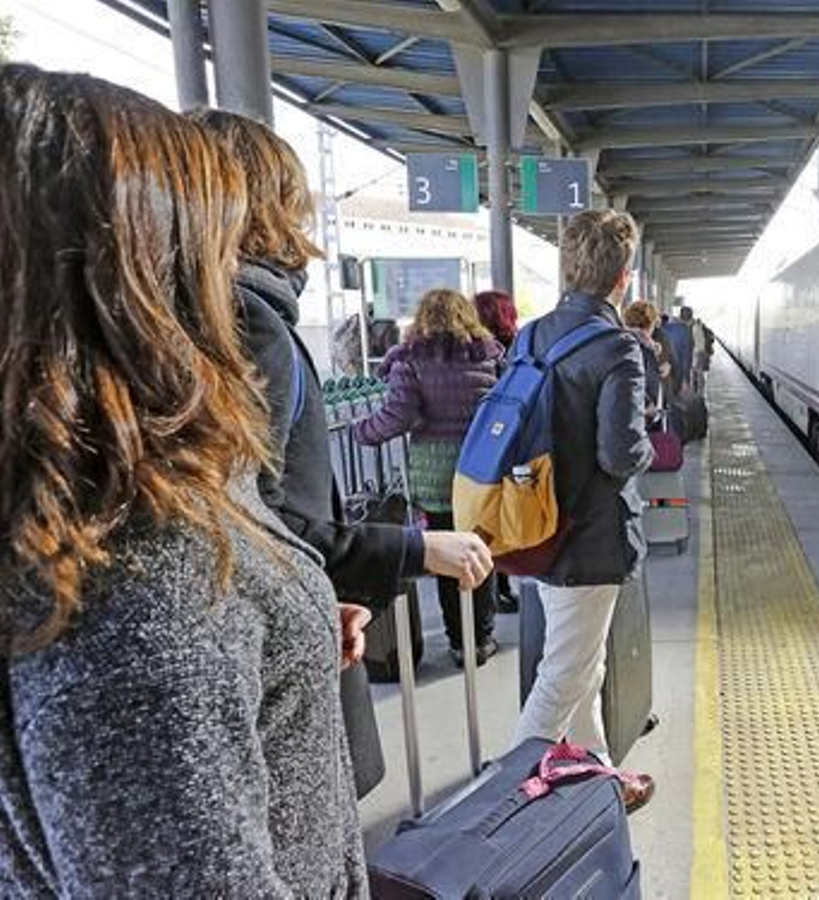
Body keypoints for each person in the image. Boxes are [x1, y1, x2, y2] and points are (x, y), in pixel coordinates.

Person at [0, 65, 364, 896]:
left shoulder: (77, 525)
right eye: (211, 242)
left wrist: (276, 621)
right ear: (135, 280)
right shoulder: (144, 594)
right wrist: (234, 624)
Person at [193, 109, 495, 793]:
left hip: (416, 482)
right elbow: (257, 522)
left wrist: (365, 437)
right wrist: (410, 551)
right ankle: (476, 635)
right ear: (273, 206)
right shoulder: (253, 325)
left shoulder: (212, 318)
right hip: (281, 657)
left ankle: (464, 633)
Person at [510, 209, 655, 809]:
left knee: (581, 664)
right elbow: (620, 455)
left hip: (533, 525)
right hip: (589, 537)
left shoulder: (529, 336)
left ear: (568, 266)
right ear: (622, 278)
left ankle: (600, 776)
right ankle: (508, 802)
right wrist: (647, 440)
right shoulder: (618, 347)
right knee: (563, 675)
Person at [356, 289, 504, 666]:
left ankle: (459, 642)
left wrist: (364, 431)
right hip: (481, 468)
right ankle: (482, 637)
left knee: (446, 557)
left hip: (434, 474)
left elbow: (399, 415)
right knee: (480, 550)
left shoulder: (411, 359)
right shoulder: (488, 357)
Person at [474, 289, 521, 614]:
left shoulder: (469, 349)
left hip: (475, 449)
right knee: (499, 520)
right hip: (504, 444)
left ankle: (491, 592)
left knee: (479, 520)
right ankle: (503, 586)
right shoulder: (514, 349)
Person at [622, 301, 668, 422]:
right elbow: (629, 380)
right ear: (650, 323)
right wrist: (647, 404)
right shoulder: (639, 346)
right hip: (641, 417)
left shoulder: (625, 342)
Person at [660, 306, 695, 396]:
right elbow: (686, 358)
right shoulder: (686, 332)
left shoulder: (664, 327)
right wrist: (686, 380)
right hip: (677, 373)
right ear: (690, 320)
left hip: (661, 369)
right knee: (674, 397)